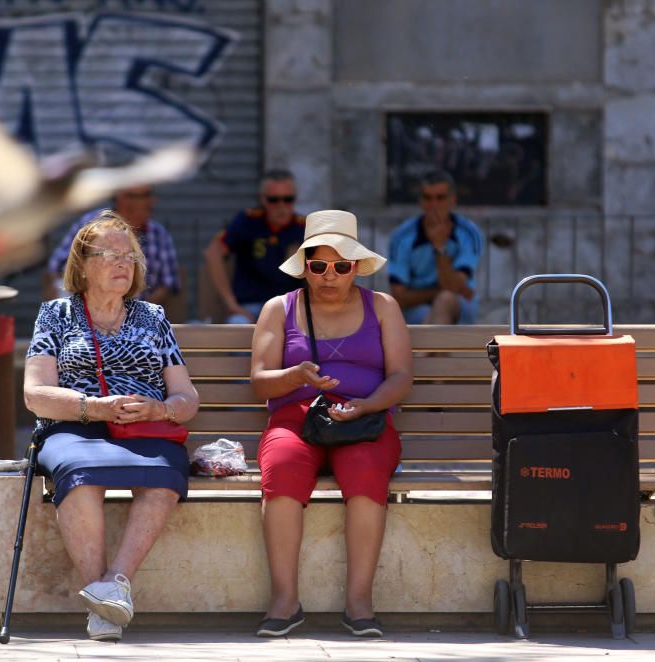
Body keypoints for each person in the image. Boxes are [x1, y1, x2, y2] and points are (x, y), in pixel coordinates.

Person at [24, 210, 199, 642]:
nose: (124, 262)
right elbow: (35, 393)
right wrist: (96, 408)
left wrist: (159, 410)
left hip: (143, 428)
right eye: (109, 254)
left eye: (130, 255)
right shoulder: (56, 315)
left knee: (165, 475)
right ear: (82, 264)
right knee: (79, 475)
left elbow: (186, 397)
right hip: (75, 426)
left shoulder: (153, 318)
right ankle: (104, 603)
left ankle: (112, 587)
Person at [250, 209, 412, 638]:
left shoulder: (383, 307)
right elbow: (260, 381)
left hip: (366, 420)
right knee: (282, 467)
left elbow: (400, 377)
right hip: (296, 419)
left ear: (356, 268)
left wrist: (365, 406)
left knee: (366, 471)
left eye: (341, 267)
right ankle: (285, 600)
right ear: (305, 267)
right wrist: (295, 376)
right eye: (319, 266)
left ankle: (359, 602)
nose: (329, 276)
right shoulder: (277, 308)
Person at [44, 185, 180, 306]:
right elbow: (56, 268)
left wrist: (138, 314)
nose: (152, 201)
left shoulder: (159, 233)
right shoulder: (91, 225)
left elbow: (168, 284)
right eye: (145, 196)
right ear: (123, 198)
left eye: (131, 256)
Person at [203, 169, 305, 323]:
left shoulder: (302, 227)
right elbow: (212, 253)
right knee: (237, 327)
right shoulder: (248, 220)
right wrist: (231, 304)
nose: (281, 205)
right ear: (262, 199)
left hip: (288, 308)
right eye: (273, 200)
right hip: (248, 308)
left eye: (288, 199)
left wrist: (301, 262)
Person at [387, 170, 484, 324]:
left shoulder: (469, 233)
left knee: (445, 300)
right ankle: (433, 349)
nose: (434, 205)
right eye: (428, 198)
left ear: (453, 200)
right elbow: (399, 296)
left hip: (460, 307)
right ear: (420, 201)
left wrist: (440, 247)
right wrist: (439, 292)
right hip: (416, 309)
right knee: (435, 306)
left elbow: (453, 289)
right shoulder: (401, 237)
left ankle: (429, 349)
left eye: (440, 198)